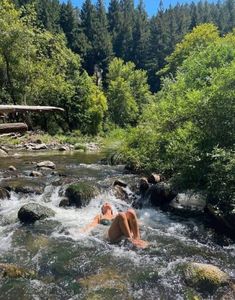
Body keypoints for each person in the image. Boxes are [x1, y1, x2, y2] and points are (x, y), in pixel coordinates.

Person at [81, 202, 149, 249]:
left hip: (123, 230)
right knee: (121, 215)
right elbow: (92, 224)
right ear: (102, 210)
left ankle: (137, 239)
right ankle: (131, 240)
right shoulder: (100, 216)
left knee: (131, 211)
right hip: (109, 234)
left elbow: (134, 220)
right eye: (104, 204)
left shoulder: (115, 215)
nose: (106, 203)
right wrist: (82, 231)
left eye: (108, 203)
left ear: (112, 209)